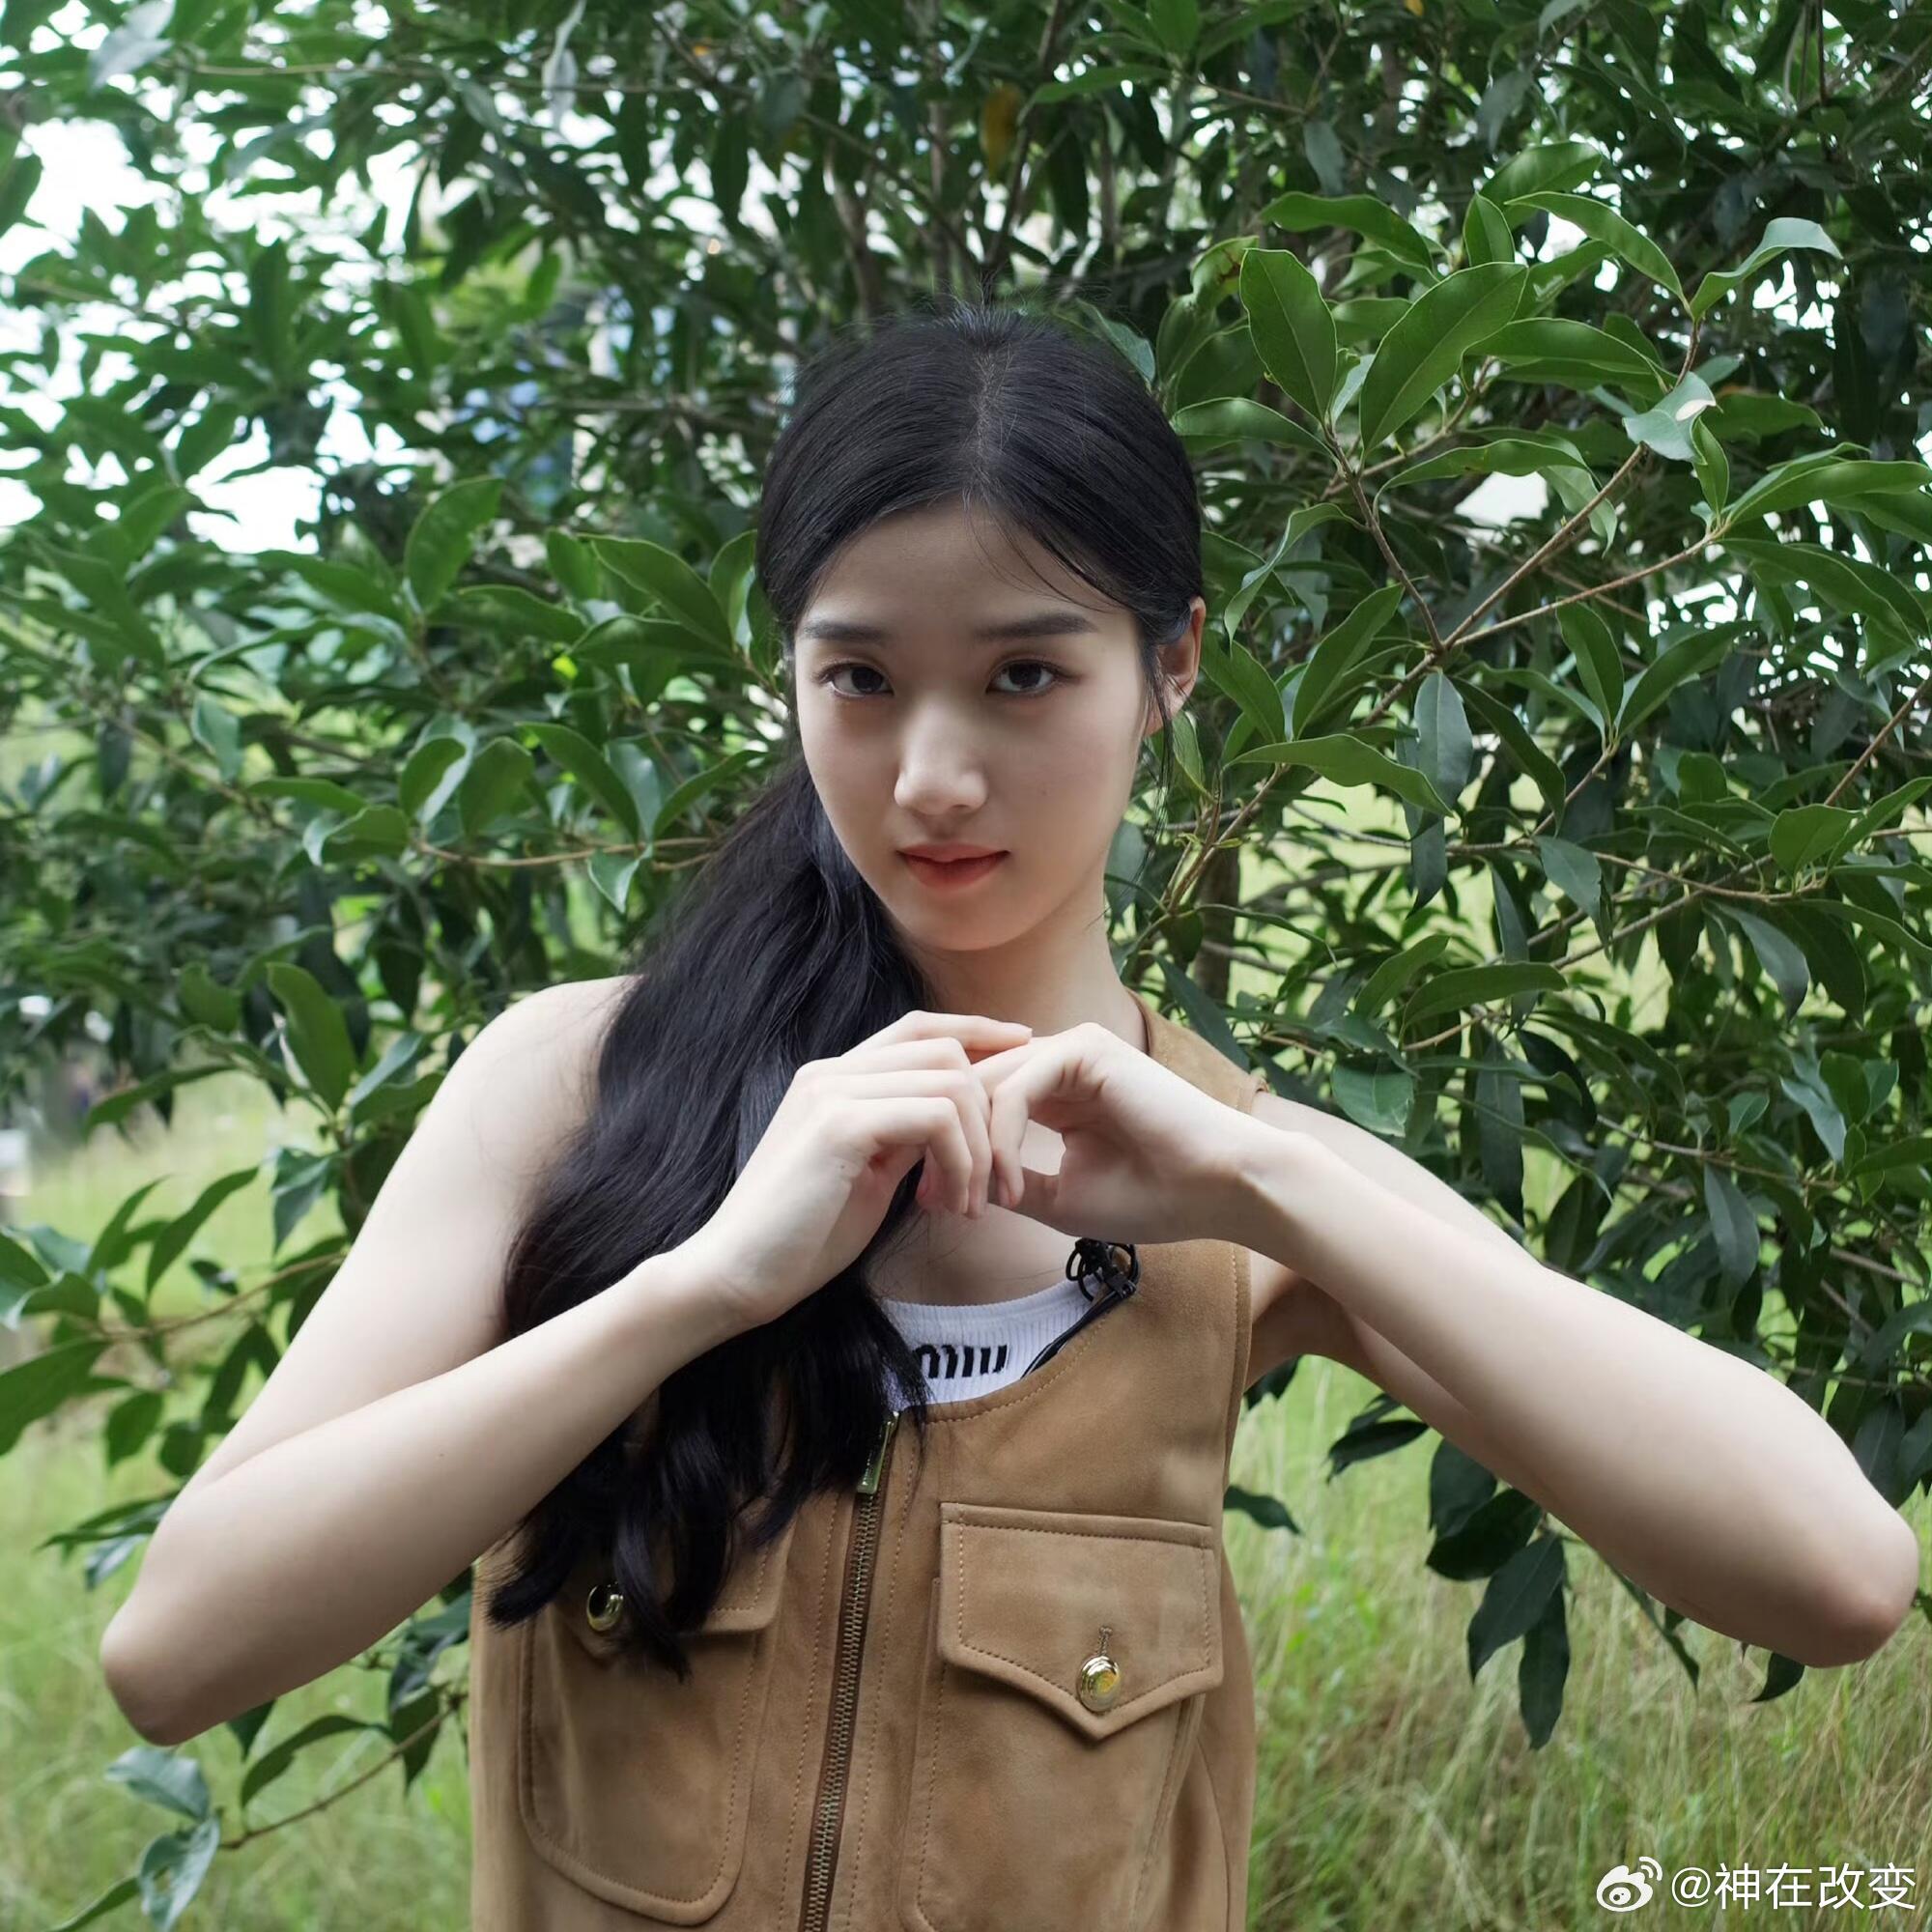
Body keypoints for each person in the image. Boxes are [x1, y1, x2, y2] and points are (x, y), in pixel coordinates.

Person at [99, 299, 1919, 1931]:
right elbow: (179, 1652)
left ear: (1173, 669)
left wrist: (1265, 1181)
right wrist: (699, 1288)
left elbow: (1835, 1577)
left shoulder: (1244, 1189)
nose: (933, 777)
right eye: (860, 677)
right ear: (789, 670)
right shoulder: (577, 1087)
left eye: (1025, 674)